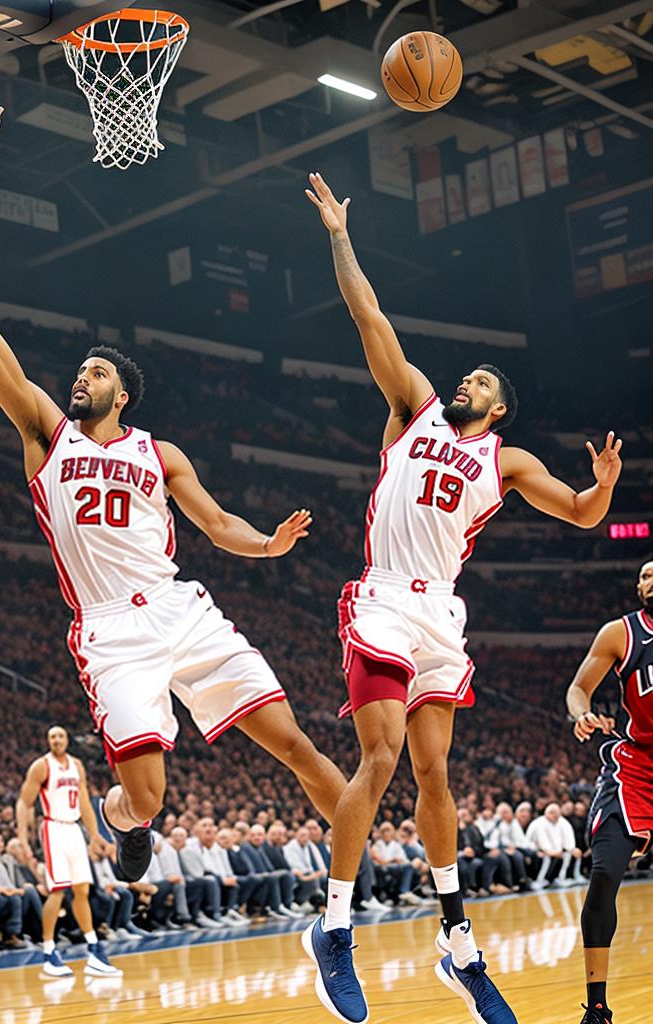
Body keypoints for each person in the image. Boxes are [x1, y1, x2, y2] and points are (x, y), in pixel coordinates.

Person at [0, 77, 347, 887]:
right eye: (80, 368)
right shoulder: (44, 434)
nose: (79, 376)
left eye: (94, 370)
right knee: (149, 796)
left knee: (297, 743)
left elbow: (217, 523)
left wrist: (265, 546)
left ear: (120, 393)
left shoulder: (160, 454)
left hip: (180, 608)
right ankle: (121, 818)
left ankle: (375, 896)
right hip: (109, 634)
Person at [303, 170, 623, 1024]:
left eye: (482, 381)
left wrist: (600, 488)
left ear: (500, 407)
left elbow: (584, 515)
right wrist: (341, 234)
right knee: (379, 760)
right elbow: (370, 317)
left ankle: (456, 940)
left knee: (436, 774)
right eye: (467, 377)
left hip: (440, 612)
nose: (467, 382)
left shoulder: (505, 461)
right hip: (380, 599)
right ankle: (333, 927)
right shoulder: (413, 409)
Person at [565, 558, 653, 1024]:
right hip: (636, 766)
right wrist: (581, 713)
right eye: (643, 575)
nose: (648, 580)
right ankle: (597, 1008)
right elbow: (579, 688)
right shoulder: (622, 633)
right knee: (603, 875)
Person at [16, 725, 120, 978]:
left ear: (67, 739)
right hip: (53, 827)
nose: (57, 740)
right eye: (52, 736)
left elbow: (84, 801)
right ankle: (49, 951)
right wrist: (23, 839)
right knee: (58, 890)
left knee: (82, 889)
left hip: (74, 829)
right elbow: (23, 801)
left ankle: (93, 949)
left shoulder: (77, 766)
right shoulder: (41, 766)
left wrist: (94, 835)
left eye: (61, 735)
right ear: (48, 741)